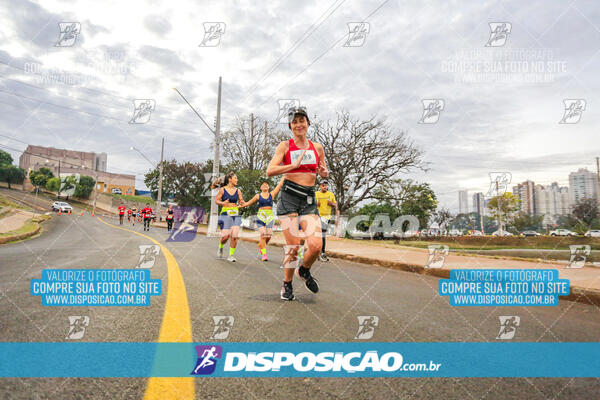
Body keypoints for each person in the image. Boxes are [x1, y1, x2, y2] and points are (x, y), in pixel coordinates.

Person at [267, 106, 328, 301]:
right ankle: (287, 285)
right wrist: (291, 166)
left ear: (308, 124)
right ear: (290, 126)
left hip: (308, 199)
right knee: (293, 248)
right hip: (289, 198)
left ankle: (303, 270)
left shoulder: (317, 148)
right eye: (295, 122)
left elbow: (323, 170)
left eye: (302, 120)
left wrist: (324, 173)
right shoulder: (284, 146)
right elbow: (270, 170)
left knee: (316, 246)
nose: (299, 124)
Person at [241, 177, 286, 261]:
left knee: (268, 235)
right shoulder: (257, 196)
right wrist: (241, 205)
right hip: (261, 216)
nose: (264, 185)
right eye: (263, 184)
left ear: (268, 187)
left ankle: (261, 245)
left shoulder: (271, 194)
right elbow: (248, 203)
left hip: (269, 217)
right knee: (263, 234)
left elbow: (279, 185)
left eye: (266, 184)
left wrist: (284, 176)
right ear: (260, 188)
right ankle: (264, 254)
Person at [215, 172, 245, 262]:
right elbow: (217, 200)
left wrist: (242, 203)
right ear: (230, 179)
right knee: (225, 236)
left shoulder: (238, 190)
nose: (237, 180)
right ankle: (220, 247)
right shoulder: (222, 190)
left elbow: (241, 200)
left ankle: (231, 255)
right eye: (235, 178)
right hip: (225, 213)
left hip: (235, 214)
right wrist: (223, 203)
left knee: (235, 235)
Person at [315, 180, 337, 261]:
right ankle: (317, 253)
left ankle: (322, 253)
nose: (325, 187)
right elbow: (309, 204)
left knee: (322, 234)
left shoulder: (330, 194)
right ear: (320, 186)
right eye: (323, 185)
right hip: (316, 216)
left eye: (326, 185)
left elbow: (335, 204)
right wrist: (316, 204)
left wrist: (331, 203)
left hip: (326, 217)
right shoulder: (316, 194)